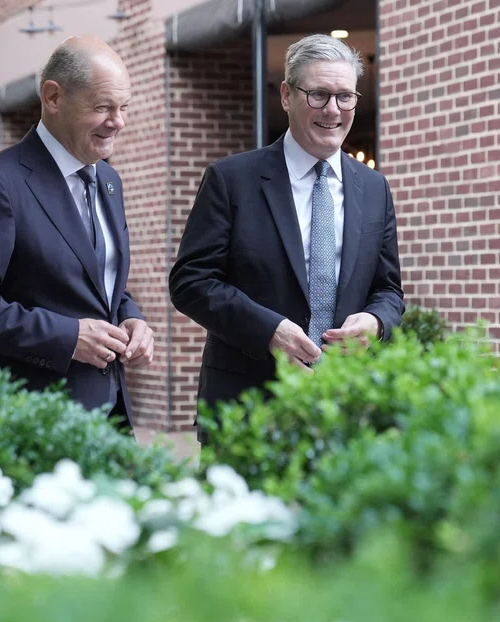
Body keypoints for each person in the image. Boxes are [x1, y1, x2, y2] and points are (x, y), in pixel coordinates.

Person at [168, 34, 404, 444]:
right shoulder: (231, 180)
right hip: (248, 408)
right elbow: (190, 282)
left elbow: (388, 289)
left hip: (344, 409)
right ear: (286, 95)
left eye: (345, 96)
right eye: (318, 94)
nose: (333, 109)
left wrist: (376, 322)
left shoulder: (374, 188)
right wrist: (268, 331)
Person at [0, 35, 153, 433]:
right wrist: (67, 336)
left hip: (109, 412)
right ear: (53, 97)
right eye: (103, 107)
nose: (118, 121)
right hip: (23, 418)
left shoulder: (109, 180)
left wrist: (131, 317)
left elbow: (97, 281)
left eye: (124, 108)